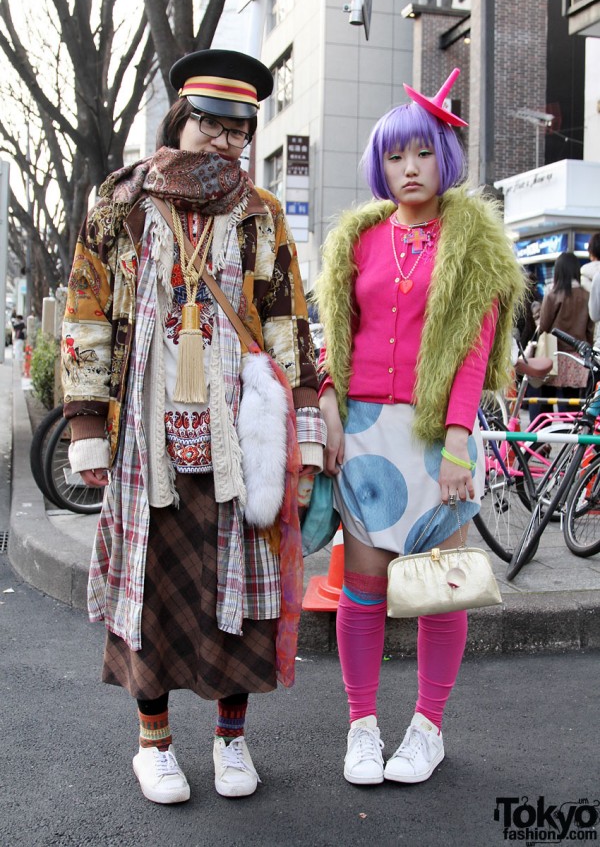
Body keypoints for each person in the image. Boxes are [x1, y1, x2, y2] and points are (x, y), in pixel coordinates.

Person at [61, 48, 325, 805]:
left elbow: (288, 324)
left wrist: (304, 431)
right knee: (151, 592)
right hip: (147, 436)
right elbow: (86, 311)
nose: (226, 142)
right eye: (212, 123)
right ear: (181, 117)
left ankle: (232, 742)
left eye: (240, 130)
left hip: (239, 435)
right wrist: (84, 423)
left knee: (233, 594)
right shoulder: (121, 203)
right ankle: (154, 745)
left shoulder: (262, 214)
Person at [313, 69, 525, 787]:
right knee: (364, 586)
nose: (409, 168)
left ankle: (428, 727)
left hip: (441, 435)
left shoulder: (472, 242)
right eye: (397, 155)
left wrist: (459, 440)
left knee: (441, 585)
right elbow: (334, 335)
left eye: (423, 153)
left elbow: (471, 350)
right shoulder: (358, 241)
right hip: (365, 432)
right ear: (381, 162)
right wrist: (330, 401)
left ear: (445, 156)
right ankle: (363, 726)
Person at [537, 251, 593, 400]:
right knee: (572, 402)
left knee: (547, 401)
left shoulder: (553, 295)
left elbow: (543, 326)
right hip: (577, 357)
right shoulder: (586, 295)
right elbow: (590, 329)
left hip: (553, 355)